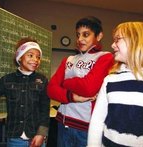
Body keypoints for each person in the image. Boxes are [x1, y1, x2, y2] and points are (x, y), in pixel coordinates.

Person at [47, 16, 114, 146]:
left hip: (86, 128)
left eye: (86, 34)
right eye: (78, 35)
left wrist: (65, 83)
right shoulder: (68, 59)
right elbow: (51, 89)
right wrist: (72, 96)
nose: (80, 39)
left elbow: (89, 88)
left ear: (99, 36)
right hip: (62, 123)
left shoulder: (105, 57)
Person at [87, 21, 143, 146]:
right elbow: (97, 121)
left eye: (117, 40)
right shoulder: (110, 80)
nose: (112, 45)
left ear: (137, 41)